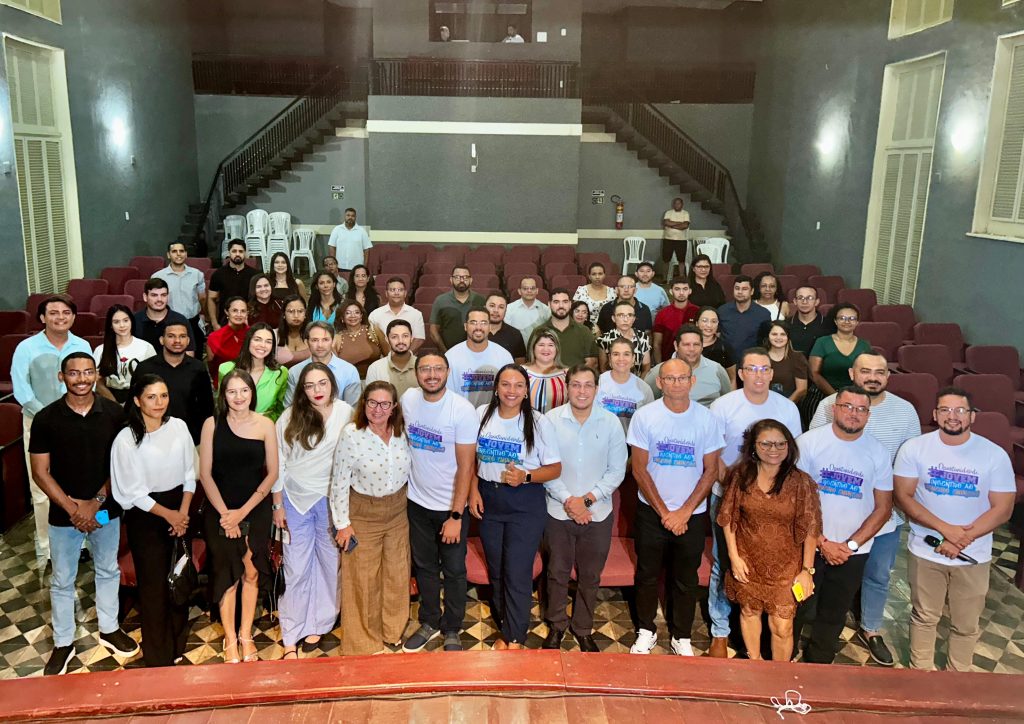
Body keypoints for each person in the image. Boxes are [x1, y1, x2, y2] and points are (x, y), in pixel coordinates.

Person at [893, 387, 1016, 672]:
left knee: (966, 624)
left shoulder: (993, 454)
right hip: (926, 549)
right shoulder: (914, 448)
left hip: (974, 555)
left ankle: (958, 679)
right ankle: (921, 674)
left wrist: (962, 538)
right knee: (924, 617)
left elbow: (1003, 508)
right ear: (935, 415)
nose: (953, 416)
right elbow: (903, 497)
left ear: (972, 416)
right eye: (945, 410)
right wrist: (946, 530)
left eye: (960, 410)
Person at [810, 352, 920, 666]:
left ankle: (870, 629)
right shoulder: (827, 409)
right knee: (816, 584)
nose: (873, 377)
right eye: (866, 371)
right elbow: (813, 459)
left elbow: (910, 462)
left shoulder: (904, 412)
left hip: (881, 517)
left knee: (877, 576)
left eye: (880, 372)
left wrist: (854, 542)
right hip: (826, 522)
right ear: (852, 373)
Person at [31, 353, 137, 676]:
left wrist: (96, 502)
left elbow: (122, 464)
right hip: (65, 517)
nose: (82, 379)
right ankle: (63, 643)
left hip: (105, 513)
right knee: (62, 579)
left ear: (96, 375)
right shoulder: (46, 418)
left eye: (88, 372)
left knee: (107, 569)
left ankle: (109, 629)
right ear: (62, 377)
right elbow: (40, 471)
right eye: (74, 373)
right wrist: (73, 508)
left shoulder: (115, 414)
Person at [707, 347, 802, 658]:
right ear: (741, 373)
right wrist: (733, 486)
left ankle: (763, 633)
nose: (758, 375)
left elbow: (792, 455)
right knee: (725, 562)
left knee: (768, 564)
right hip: (729, 496)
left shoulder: (787, 408)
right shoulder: (723, 406)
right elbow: (713, 453)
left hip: (774, 503)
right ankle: (721, 631)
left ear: (772, 374)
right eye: (752, 369)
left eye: (764, 369)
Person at [628, 359, 724, 656]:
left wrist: (683, 513)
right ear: (660, 383)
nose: (676, 384)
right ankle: (646, 630)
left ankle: (681, 635)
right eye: (670, 379)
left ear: (692, 382)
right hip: (651, 512)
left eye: (682, 378)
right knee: (646, 574)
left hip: (691, 515)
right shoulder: (645, 416)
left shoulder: (707, 419)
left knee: (686, 578)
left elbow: (711, 470)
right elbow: (639, 470)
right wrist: (664, 513)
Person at [794, 386, 894, 665]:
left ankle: (819, 661)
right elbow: (796, 499)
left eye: (861, 409)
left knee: (834, 612)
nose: (854, 413)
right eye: (848, 406)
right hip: (809, 545)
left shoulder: (878, 452)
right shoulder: (809, 443)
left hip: (853, 551)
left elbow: (884, 507)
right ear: (834, 408)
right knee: (797, 606)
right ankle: (784, 658)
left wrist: (850, 545)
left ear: (868, 415)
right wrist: (822, 542)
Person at [470, 364, 561, 649]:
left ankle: (514, 638)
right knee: (497, 570)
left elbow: (555, 468)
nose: (512, 391)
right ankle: (506, 625)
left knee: (517, 571)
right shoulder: (481, 414)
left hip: (525, 502)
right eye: (506, 384)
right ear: (496, 388)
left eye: (519, 385)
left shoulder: (539, 422)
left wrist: (526, 476)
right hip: (489, 498)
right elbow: (471, 460)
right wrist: (473, 491)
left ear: (526, 390)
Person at [110, 374, 196, 667]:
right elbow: (132, 492)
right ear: (137, 400)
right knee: (154, 587)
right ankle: (159, 656)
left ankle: (177, 644)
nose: (159, 402)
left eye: (164, 395)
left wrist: (183, 513)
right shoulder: (126, 439)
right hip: (146, 518)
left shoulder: (179, 427)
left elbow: (189, 473)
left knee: (178, 579)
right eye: (151, 397)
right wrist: (171, 515)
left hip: (180, 509)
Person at [718, 419, 821, 661]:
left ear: (789, 446)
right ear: (754, 446)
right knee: (749, 611)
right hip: (747, 560)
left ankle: (779, 675)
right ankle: (755, 664)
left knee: (782, 626)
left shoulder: (801, 482)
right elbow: (728, 517)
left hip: (786, 566)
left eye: (780, 444)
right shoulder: (741, 476)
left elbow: (811, 528)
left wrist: (807, 571)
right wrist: (734, 557)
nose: (773, 449)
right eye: (765, 444)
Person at [542, 364, 627, 652]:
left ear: (596, 389)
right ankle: (556, 625)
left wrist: (586, 501)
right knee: (557, 572)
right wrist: (570, 501)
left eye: (588, 385)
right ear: (567, 388)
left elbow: (616, 471)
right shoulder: (550, 421)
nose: (582, 391)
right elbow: (545, 467)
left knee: (590, 577)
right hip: (558, 511)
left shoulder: (610, 423)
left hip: (598, 514)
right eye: (576, 385)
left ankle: (583, 628)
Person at [198, 370, 278, 664]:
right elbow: (205, 474)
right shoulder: (212, 424)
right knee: (227, 574)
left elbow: (273, 473)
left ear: (252, 393)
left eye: (244, 390)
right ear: (223, 395)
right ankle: (230, 638)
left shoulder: (266, 424)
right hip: (219, 509)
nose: (238, 397)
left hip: (254, 508)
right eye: (232, 391)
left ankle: (246, 634)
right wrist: (226, 515)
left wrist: (241, 514)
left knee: (251, 571)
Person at [274, 363, 352, 660]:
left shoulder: (346, 412)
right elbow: (278, 462)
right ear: (302, 390)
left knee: (329, 563)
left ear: (332, 384)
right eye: (309, 385)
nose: (317, 390)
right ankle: (292, 631)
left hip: (332, 500)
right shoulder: (290, 417)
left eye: (322, 383)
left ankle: (321, 621)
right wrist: (278, 504)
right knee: (296, 566)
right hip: (295, 499)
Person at [401, 354, 478, 653]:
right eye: (425, 369)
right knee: (425, 567)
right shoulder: (408, 400)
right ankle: (430, 621)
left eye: (437, 369)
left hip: (450, 508)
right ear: (416, 372)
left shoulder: (462, 410)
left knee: (455, 570)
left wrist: (456, 516)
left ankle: (452, 627)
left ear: (447, 371)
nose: (431, 374)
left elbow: (466, 466)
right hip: (417, 503)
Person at [331, 381, 412, 656]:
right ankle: (363, 641)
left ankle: (392, 631)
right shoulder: (352, 434)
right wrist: (342, 524)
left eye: (384, 404)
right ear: (364, 404)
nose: (378, 409)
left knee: (397, 574)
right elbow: (339, 481)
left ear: (394, 407)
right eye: (372, 403)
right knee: (363, 578)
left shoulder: (402, 432)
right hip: (363, 513)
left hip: (398, 511)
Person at [12, 295, 92, 559]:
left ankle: (81, 540)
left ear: (73, 317)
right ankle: (48, 547)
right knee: (42, 487)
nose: (60, 317)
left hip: (77, 422)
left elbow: (87, 383)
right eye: (54, 313)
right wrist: (49, 417)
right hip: (38, 423)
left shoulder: (82, 345)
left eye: (66, 312)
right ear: (42, 318)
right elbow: (21, 389)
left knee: (77, 482)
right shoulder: (26, 348)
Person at [134, 322, 215, 444]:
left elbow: (207, 408)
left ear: (188, 341)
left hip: (190, 439)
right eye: (171, 336)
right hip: (150, 438)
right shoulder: (144, 368)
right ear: (162, 340)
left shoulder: (198, 368)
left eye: (182, 336)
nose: (177, 340)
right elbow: (133, 406)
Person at [445, 308, 514, 408]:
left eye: (483, 323)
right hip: (460, 414)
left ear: (490, 327)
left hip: (494, 413)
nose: (478, 327)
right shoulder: (450, 357)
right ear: (465, 326)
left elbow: (509, 392)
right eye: (473, 323)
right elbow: (448, 395)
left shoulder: (504, 356)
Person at [646, 324, 730, 406]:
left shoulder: (717, 370)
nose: (691, 349)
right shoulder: (658, 372)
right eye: (686, 344)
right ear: (676, 346)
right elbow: (647, 405)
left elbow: (727, 404)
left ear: (702, 346)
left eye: (696, 344)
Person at [218, 323, 288, 421]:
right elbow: (221, 405)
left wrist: (262, 422)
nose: (263, 345)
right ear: (248, 341)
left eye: (268, 342)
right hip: (232, 424)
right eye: (257, 339)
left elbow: (281, 409)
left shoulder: (280, 372)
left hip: (265, 426)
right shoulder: (226, 369)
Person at [285, 321, 362, 406]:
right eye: (315, 340)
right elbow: (290, 408)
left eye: (325, 340)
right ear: (307, 343)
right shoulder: (295, 372)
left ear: (333, 341)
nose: (320, 345)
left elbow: (353, 409)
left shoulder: (349, 371)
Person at [94, 303, 156, 403]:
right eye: (116, 322)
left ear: (131, 321)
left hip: (139, 400)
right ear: (111, 325)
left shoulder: (146, 347)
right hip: (108, 400)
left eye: (126, 320)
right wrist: (115, 405)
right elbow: (97, 382)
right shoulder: (100, 350)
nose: (122, 325)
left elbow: (153, 380)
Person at [809, 303, 873, 399]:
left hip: (854, 395)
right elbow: (814, 373)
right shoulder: (822, 342)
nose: (847, 321)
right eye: (842, 318)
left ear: (857, 322)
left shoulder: (864, 345)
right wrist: (835, 396)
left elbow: (867, 374)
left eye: (852, 318)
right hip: (823, 394)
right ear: (835, 321)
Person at [152, 241, 206, 353]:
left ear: (186, 254)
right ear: (168, 255)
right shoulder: (158, 276)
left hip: (193, 322)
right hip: (167, 323)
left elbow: (202, 298)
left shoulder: (197, 274)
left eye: (181, 251)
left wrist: (203, 315)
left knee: (196, 355)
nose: (178, 254)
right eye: (174, 251)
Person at [597, 337, 655, 434]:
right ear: (610, 358)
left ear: (633, 358)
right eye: (616, 354)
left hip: (631, 442)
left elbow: (649, 424)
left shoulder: (644, 389)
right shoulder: (598, 383)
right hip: (601, 440)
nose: (621, 359)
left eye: (626, 354)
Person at [537, 289, 599, 370]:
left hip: (577, 377)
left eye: (565, 302)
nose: (561, 306)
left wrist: (572, 376)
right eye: (556, 302)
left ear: (570, 304)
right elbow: (533, 364)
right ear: (549, 304)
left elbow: (592, 363)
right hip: (547, 377)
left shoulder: (584, 331)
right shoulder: (539, 332)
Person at [429, 265, 486, 352]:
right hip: (447, 351)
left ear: (471, 280)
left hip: (476, 352)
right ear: (451, 280)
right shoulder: (440, 301)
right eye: (457, 277)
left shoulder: (480, 300)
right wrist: (446, 353)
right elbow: (433, 332)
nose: (462, 280)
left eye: (465, 277)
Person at [133, 278, 195, 353]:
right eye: (154, 295)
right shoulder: (134, 320)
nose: (159, 299)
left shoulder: (180, 320)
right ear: (145, 297)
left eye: (163, 295)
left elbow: (189, 352)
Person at [208, 239, 259, 329]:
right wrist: (214, 323)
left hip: (249, 323)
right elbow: (211, 298)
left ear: (245, 253)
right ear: (229, 253)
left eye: (241, 251)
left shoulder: (255, 275)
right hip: (225, 322)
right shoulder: (218, 274)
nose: (237, 254)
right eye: (234, 251)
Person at [717, 276, 770, 360]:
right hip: (725, 361)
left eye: (744, 289)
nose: (740, 292)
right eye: (737, 288)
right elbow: (717, 336)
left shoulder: (763, 314)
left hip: (753, 361)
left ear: (752, 291)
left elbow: (766, 342)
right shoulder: (722, 311)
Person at [368, 276, 425, 352]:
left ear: (405, 293)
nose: (396, 293)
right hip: (382, 357)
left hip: (409, 356)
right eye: (392, 290)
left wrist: (405, 356)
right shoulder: (375, 315)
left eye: (400, 290)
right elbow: (372, 341)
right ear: (386, 293)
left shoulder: (416, 314)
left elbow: (419, 339)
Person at [365, 319, 419, 397]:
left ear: (411, 338)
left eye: (405, 336)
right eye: (394, 337)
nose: (400, 341)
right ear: (387, 340)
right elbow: (371, 398)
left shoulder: (422, 365)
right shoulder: (375, 368)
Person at [332, 301, 386, 379]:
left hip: (376, 379)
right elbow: (336, 367)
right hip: (350, 382)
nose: (353, 316)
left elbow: (389, 355)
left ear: (361, 316)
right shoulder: (337, 338)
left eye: (356, 312)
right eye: (348, 313)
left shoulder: (373, 330)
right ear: (342, 318)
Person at [597, 302, 652, 377]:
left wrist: (640, 382)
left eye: (630, 315)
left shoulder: (642, 337)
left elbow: (646, 366)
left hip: (637, 381)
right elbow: (603, 369)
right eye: (621, 315)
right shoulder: (604, 340)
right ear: (613, 318)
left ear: (634, 319)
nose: (626, 319)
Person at [652, 277, 699, 363]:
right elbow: (657, 344)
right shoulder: (662, 314)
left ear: (690, 291)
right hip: (668, 361)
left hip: (693, 361)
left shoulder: (697, 312)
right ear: (671, 291)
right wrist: (659, 366)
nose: (681, 293)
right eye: (677, 289)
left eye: (685, 289)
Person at [523, 328, 567, 414]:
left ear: (557, 348)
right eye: (541, 345)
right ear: (533, 348)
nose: (546, 349)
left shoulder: (567, 374)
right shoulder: (521, 372)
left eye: (551, 345)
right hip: (527, 422)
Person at [206, 297, 250, 383]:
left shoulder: (253, 334)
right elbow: (211, 364)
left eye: (243, 311)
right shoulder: (214, 337)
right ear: (227, 312)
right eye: (235, 310)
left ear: (247, 313)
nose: (239, 314)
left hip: (250, 381)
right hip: (224, 382)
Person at [766, 320, 808, 403]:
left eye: (783, 334)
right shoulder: (760, 356)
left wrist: (786, 406)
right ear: (768, 336)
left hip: (788, 404)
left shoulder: (797, 357)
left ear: (788, 337)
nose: (778, 337)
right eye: (774, 334)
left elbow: (801, 389)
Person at [504, 276, 551, 345]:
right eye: (525, 288)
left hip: (538, 348)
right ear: (519, 291)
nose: (529, 291)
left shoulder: (545, 310)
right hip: (515, 348)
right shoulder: (509, 308)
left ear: (537, 291)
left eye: (532, 288)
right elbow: (506, 332)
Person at [788, 286, 832, 357]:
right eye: (800, 298)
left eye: (810, 298)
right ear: (795, 301)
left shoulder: (829, 325)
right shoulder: (786, 325)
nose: (804, 302)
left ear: (817, 302)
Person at [697, 306, 736, 385]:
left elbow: (732, 379)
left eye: (714, 321)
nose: (709, 325)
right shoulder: (688, 345)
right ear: (697, 323)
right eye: (704, 320)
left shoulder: (725, 347)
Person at [326, 207, 372, 273]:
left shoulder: (362, 231)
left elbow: (366, 250)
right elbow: (332, 247)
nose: (350, 217)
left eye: (353, 216)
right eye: (348, 215)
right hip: (340, 266)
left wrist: (364, 266)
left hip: (357, 268)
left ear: (355, 217)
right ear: (344, 216)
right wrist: (333, 265)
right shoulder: (337, 229)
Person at [485, 293, 527, 363]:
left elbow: (520, 363)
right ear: (484, 307)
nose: (496, 310)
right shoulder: (474, 331)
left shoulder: (515, 334)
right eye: (492, 306)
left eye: (501, 307)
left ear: (506, 310)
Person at [276, 295, 311, 367]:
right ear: (284, 314)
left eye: (300, 311)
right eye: (291, 311)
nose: (296, 315)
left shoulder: (313, 335)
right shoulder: (273, 335)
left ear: (305, 314)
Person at [662, 197, 691, 277]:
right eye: (675, 203)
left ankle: (681, 277)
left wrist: (672, 225)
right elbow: (666, 222)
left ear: (682, 204)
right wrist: (679, 223)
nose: (677, 205)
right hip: (668, 240)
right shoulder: (668, 213)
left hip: (681, 240)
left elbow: (685, 225)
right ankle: (664, 278)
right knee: (666, 260)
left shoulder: (685, 213)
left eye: (679, 203)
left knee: (681, 260)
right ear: (673, 204)